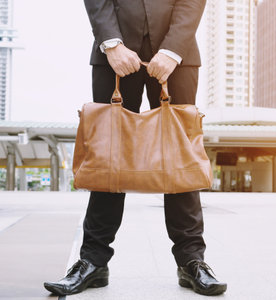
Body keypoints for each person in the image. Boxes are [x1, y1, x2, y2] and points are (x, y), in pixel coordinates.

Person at [43, 0, 226, 296]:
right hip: (113, 53)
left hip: (176, 55)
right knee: (107, 157)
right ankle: (93, 261)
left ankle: (192, 260)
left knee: (180, 159)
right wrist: (111, 43)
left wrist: (172, 50)